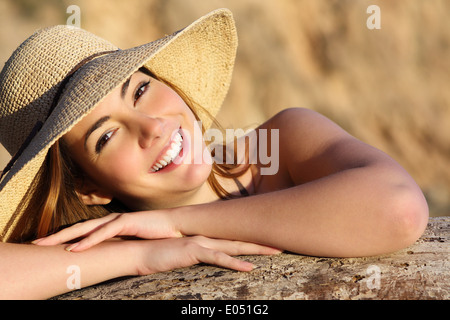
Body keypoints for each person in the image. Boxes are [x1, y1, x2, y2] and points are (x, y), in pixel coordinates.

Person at [0, 9, 428, 299]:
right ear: (88, 187)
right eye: (106, 136)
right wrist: (141, 254)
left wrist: (176, 222)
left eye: (141, 91)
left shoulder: (283, 143)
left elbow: (399, 211)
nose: (151, 127)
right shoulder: (105, 245)